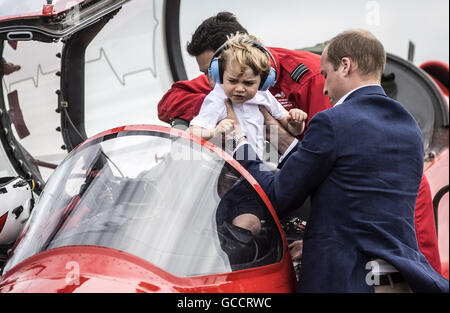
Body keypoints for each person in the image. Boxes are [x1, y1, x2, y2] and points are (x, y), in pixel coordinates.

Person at [226, 29, 449, 292]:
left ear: (345, 66)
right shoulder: (408, 126)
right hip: (400, 281)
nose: (324, 86)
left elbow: (280, 193)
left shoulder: (332, 121)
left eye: (325, 74)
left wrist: (239, 143)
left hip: (345, 283)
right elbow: (363, 203)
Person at [188, 33, 306, 236]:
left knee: (253, 226)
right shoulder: (217, 98)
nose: (240, 89)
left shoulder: (263, 96)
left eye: (249, 83)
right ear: (218, 75)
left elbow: (290, 127)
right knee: (228, 227)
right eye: (232, 81)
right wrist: (214, 132)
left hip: (255, 178)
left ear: (263, 81)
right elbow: (192, 133)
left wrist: (296, 120)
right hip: (225, 182)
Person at [157, 12, 331, 145]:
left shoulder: (312, 77)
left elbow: (324, 148)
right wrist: (217, 107)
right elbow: (168, 103)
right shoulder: (223, 82)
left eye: (212, 71)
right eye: (207, 73)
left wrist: (285, 136)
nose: (211, 82)